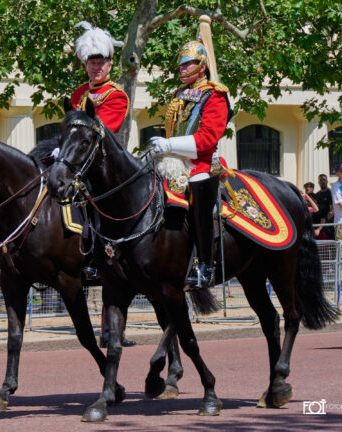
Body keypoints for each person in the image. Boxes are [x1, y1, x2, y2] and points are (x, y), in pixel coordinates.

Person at [149, 36, 232, 290]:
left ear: (202, 65)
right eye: (181, 65)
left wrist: (170, 144)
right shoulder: (179, 94)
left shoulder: (215, 96)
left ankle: (206, 265)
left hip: (202, 162)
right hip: (173, 159)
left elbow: (207, 138)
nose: (182, 68)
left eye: (188, 64)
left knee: (198, 198)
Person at [72, 22, 135, 348]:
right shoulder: (78, 95)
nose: (95, 67)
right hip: (79, 165)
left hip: (107, 166)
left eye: (100, 62)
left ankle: (103, 258)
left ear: (110, 64)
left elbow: (103, 130)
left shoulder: (115, 95)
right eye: (90, 62)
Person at [314, 174, 334, 240]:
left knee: (331, 244)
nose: (323, 182)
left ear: (327, 181)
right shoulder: (317, 195)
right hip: (320, 225)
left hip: (329, 224)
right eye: (321, 180)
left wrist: (325, 221)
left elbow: (332, 210)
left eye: (324, 180)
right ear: (318, 182)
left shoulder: (330, 193)